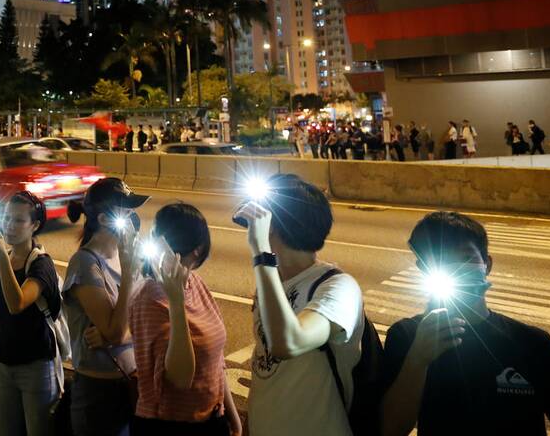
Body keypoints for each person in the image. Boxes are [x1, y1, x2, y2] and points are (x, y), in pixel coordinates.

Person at [379, 211, 550, 435]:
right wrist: (417, 360)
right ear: (423, 269)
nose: (456, 270)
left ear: (487, 265)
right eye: (440, 261)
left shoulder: (532, 342)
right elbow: (391, 430)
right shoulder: (407, 336)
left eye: (467, 258)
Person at [234, 173, 365, 436]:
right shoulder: (272, 281)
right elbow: (264, 365)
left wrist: (261, 252)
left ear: (271, 226)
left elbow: (289, 343)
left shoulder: (339, 287)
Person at [130, 203, 241, 435]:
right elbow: (181, 378)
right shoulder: (150, 297)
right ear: (199, 249)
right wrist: (176, 302)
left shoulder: (195, 283)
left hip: (212, 417)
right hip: (169, 424)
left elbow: (216, 361)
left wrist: (231, 414)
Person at [64, 177, 147, 436]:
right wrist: (129, 273)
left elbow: (153, 320)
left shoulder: (131, 257)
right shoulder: (85, 263)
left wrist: (120, 335)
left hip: (132, 384)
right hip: (98, 396)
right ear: (102, 219)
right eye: (126, 211)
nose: (133, 218)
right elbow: (115, 331)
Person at [0, 191, 63, 436]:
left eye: (19, 220)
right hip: (4, 364)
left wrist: (2, 258)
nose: (9, 225)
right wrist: (3, 259)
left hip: (36, 367)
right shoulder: (5, 258)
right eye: (6, 217)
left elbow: (16, 304)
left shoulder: (42, 265)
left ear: (34, 225)